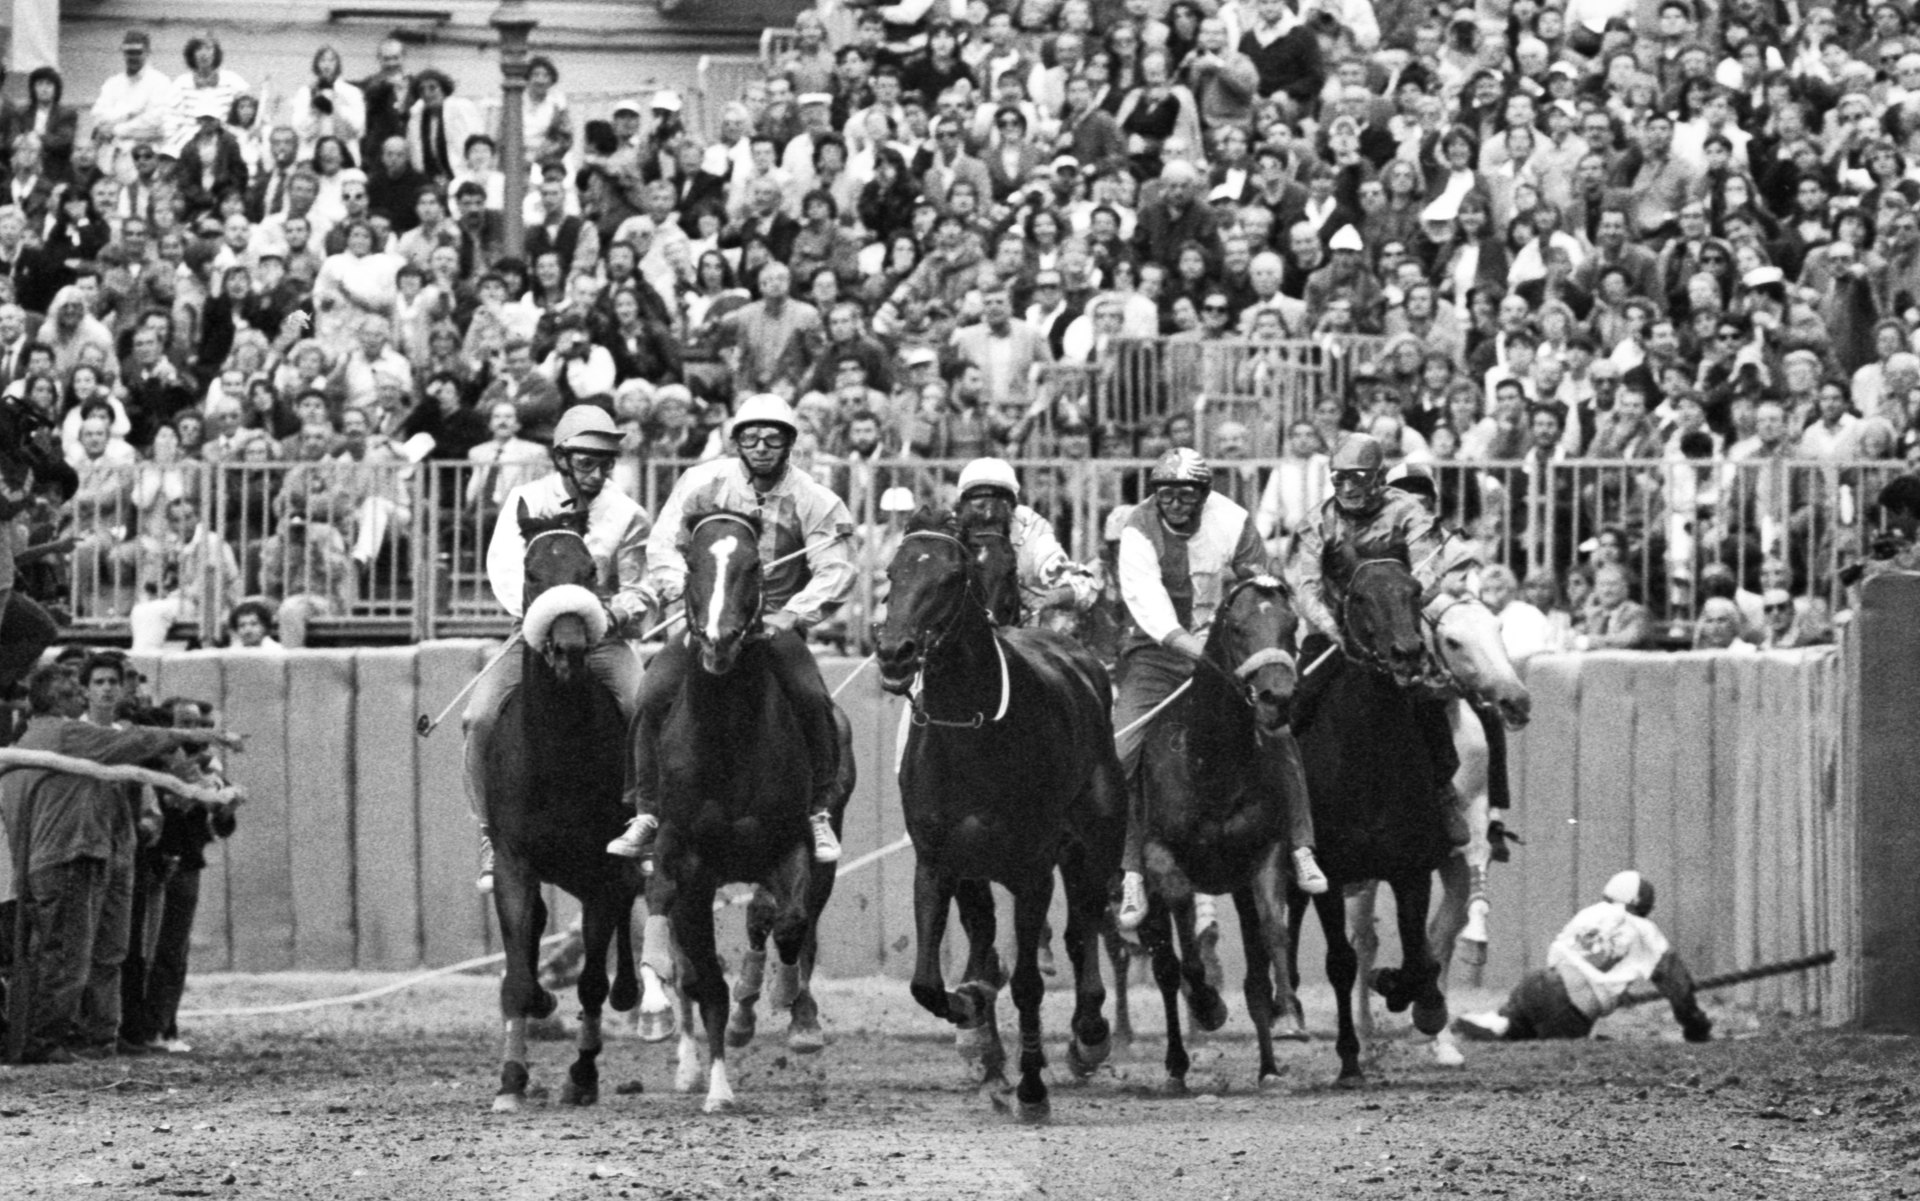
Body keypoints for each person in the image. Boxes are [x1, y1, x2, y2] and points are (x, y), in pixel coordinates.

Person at [608, 394, 853, 867]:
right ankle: (646, 810)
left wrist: (794, 614)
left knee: (811, 697)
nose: (761, 447)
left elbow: (836, 568)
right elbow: (664, 546)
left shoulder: (816, 499)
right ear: (736, 441)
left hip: (772, 620)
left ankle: (818, 809)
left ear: (788, 445)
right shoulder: (702, 482)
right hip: (706, 617)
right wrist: (689, 599)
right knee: (651, 694)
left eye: (772, 439)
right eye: (751, 438)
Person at [1113, 447, 1326, 932]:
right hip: (1158, 655)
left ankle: (1300, 846)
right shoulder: (1137, 529)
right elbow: (1148, 605)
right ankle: (1129, 871)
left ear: (1203, 494)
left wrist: (1248, 630)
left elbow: (1263, 582)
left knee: (1277, 731)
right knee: (1121, 745)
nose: (1176, 503)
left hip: (1226, 653)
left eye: (1187, 494)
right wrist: (1192, 649)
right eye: (1167, 493)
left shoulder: (1232, 520)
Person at [0, 662, 244, 1063]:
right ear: (61, 698)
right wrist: (201, 735)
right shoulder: (67, 734)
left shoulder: (30, 738)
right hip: (70, 854)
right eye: (78, 692)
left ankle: (60, 1037)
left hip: (42, 859)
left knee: (53, 952)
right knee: (70, 956)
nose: (85, 697)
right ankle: (47, 1042)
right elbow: (136, 744)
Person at [463, 407, 654, 893]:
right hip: (535, 633)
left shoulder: (628, 514)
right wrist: (541, 620)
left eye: (606, 463)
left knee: (642, 706)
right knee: (479, 717)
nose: (598, 473)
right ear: (563, 459)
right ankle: (489, 830)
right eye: (588, 462)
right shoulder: (524, 499)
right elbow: (506, 566)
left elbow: (639, 583)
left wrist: (613, 614)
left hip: (601, 638)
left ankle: (645, 819)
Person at [1283, 433, 1465, 844]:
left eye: (1357, 478)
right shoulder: (1318, 521)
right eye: (1339, 478)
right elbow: (1304, 584)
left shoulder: (1408, 511)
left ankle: (1443, 790)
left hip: (1398, 625)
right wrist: (1333, 627)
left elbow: (1430, 570)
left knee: (1433, 699)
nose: (1347, 488)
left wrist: (1396, 606)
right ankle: (1285, 804)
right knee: (1299, 700)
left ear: (1377, 477)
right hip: (1334, 631)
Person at [1454, 870, 1712, 1043]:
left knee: (1518, 1027)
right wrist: (1695, 1024)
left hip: (1538, 983)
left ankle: (1499, 1022)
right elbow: (1676, 982)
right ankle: (1506, 1026)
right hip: (1572, 1005)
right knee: (1560, 1046)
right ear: (1640, 903)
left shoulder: (1591, 912)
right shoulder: (1646, 931)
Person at [953, 456, 1097, 622]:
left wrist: (1052, 596)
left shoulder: (1029, 527)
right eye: (979, 504)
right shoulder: (946, 529)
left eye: (998, 503)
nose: (989, 513)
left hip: (1012, 629)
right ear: (962, 506)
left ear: (1012, 507)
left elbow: (1086, 585)